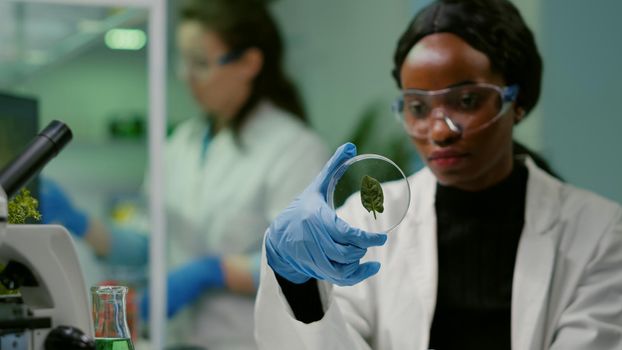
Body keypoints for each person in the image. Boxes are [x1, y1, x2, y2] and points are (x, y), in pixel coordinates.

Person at [253, 0, 622, 349]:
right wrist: (294, 277)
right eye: (417, 107)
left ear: (517, 101)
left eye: (466, 101)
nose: (440, 130)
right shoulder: (369, 218)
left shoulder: (599, 232)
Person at [41, 0, 328, 348]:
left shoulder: (294, 148)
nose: (185, 75)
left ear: (249, 63)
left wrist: (213, 271)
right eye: (183, 60)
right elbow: (148, 242)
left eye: (201, 63)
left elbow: (302, 264)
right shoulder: (179, 145)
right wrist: (80, 222)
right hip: (175, 339)